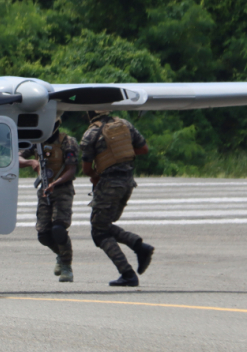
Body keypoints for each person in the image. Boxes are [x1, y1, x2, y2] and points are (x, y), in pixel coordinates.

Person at [81, 111, 155, 287]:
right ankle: (137, 245)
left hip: (109, 185)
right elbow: (143, 149)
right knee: (103, 225)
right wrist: (118, 155)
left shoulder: (91, 133)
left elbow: (86, 169)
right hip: (127, 183)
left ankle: (128, 272)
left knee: (99, 232)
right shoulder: (125, 125)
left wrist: (98, 172)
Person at [18, 121, 79, 282]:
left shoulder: (67, 142)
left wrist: (55, 183)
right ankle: (61, 254)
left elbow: (71, 170)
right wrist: (31, 162)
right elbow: (16, 158)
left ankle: (66, 266)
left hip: (62, 190)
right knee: (43, 234)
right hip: (45, 190)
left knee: (58, 228)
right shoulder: (37, 142)